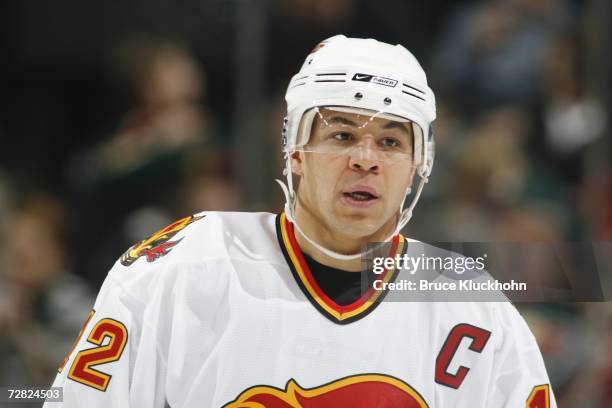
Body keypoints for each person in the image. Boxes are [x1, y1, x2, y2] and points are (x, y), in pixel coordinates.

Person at [45, 35, 555, 407]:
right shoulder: (180, 269)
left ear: (418, 165)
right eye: (341, 135)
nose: (366, 159)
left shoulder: (472, 306)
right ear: (294, 151)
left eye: (391, 141)